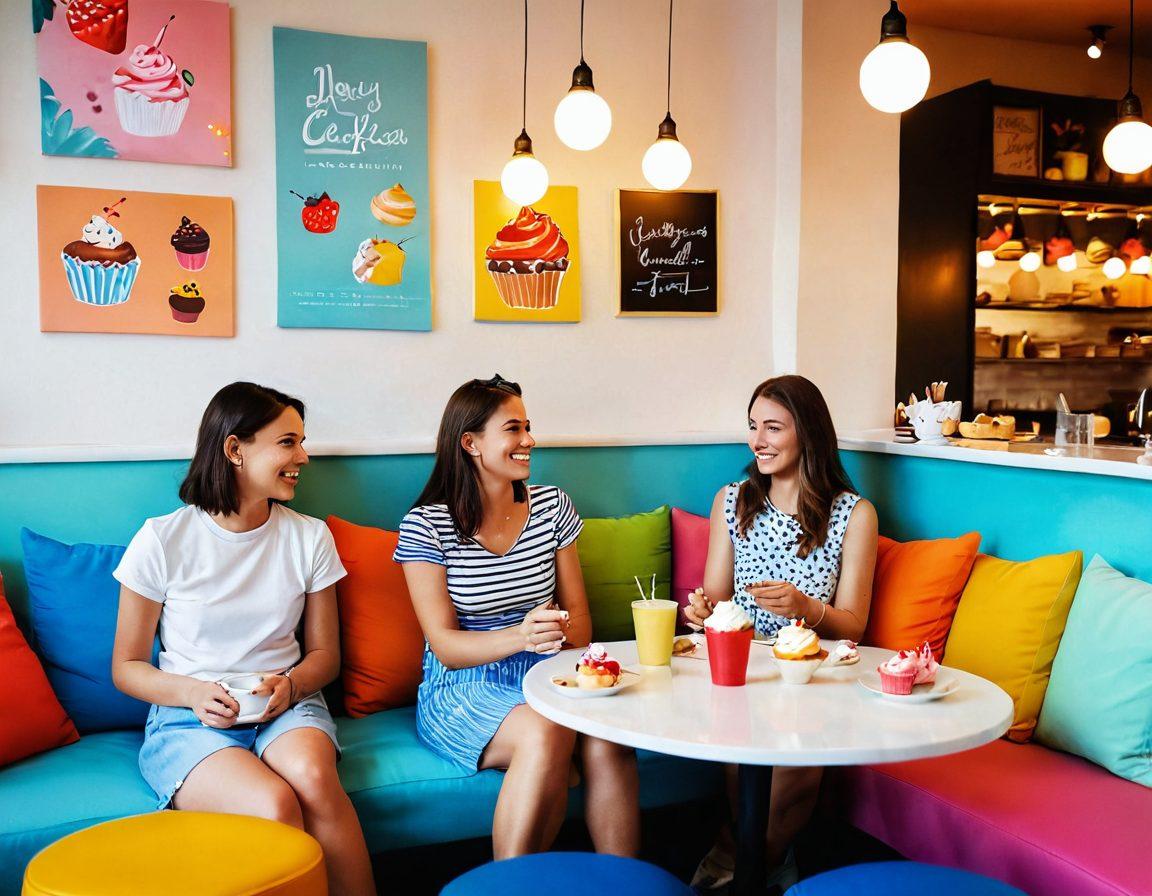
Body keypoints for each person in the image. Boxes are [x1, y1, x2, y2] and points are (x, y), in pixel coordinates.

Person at [111, 382, 375, 896]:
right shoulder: (163, 539)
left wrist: (292, 687)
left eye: (302, 441)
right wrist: (191, 692)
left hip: (288, 704)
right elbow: (125, 666)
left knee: (316, 781)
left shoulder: (309, 536)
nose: (303, 456)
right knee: (274, 803)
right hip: (189, 718)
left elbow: (325, 656)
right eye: (287, 442)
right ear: (235, 449)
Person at [394, 375, 638, 859]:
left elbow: (581, 627)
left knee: (611, 741)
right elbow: (445, 645)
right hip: (462, 684)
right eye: (513, 429)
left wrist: (555, 633)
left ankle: (627, 883)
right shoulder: (427, 524)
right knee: (546, 731)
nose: (529, 440)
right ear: (471, 443)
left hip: (551, 671)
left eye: (528, 427)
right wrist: (521, 635)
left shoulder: (552, 507)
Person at [684, 374, 877, 893]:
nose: (757, 441)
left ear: (808, 434)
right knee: (743, 762)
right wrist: (703, 610)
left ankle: (739, 860)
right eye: (752, 427)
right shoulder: (733, 499)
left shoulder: (854, 515)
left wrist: (806, 607)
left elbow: (854, 623)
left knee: (792, 772)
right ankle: (763, 864)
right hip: (739, 667)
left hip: (811, 673)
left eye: (773, 427)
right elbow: (716, 596)